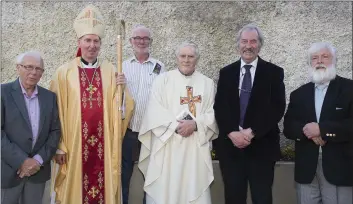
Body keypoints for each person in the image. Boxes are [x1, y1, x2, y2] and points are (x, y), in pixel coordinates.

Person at [49, 4, 134, 204]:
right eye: (87, 40)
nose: (92, 45)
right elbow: (55, 112)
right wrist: (59, 146)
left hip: (103, 146)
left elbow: (123, 108)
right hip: (74, 145)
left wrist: (121, 92)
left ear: (100, 44)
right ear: (79, 41)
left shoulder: (111, 70)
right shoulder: (64, 72)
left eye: (96, 41)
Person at [138, 41, 218, 204]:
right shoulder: (163, 81)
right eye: (183, 56)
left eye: (191, 56)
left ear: (197, 59)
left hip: (194, 148)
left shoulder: (207, 84)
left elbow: (213, 113)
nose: (186, 60)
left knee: (193, 188)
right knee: (165, 189)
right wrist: (177, 126)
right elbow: (154, 110)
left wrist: (195, 125)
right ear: (176, 58)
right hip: (168, 146)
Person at [213, 24, 286, 204]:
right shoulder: (226, 72)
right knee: (233, 197)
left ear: (259, 45)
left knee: (262, 197)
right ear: (238, 45)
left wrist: (251, 132)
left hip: (262, 148)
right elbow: (220, 106)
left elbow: (277, 107)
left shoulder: (274, 72)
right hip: (231, 148)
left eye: (253, 41)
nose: (248, 45)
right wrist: (232, 132)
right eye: (244, 41)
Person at [283, 42, 353, 204]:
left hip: (340, 167)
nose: (319, 61)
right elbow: (288, 126)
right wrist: (307, 131)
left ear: (334, 61)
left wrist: (323, 129)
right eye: (315, 58)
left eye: (325, 57)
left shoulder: (349, 89)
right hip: (307, 169)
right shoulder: (298, 94)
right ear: (310, 63)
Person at [1, 51, 61, 204]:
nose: (33, 72)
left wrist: (37, 160)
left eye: (38, 69)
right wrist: (22, 161)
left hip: (37, 172)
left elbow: (55, 132)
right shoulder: (3, 93)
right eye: (28, 67)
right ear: (18, 68)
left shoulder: (50, 97)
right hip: (9, 170)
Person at [121, 25, 165, 204]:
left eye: (145, 38)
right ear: (131, 42)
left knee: (151, 175)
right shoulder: (122, 66)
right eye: (137, 38)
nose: (141, 41)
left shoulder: (160, 67)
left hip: (151, 131)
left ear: (150, 42)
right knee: (123, 174)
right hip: (128, 130)